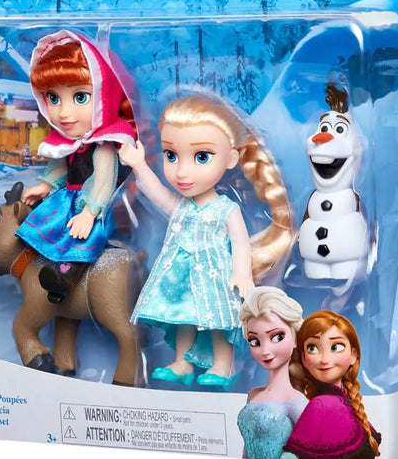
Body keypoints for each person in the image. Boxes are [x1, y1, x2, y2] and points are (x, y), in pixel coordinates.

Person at [118, 95, 294, 387]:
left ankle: (223, 366)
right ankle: (182, 363)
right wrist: (139, 165)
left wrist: (242, 273)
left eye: (202, 156)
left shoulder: (226, 208)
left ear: (231, 158)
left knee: (218, 323)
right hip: (180, 277)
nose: (182, 171)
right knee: (182, 318)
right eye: (171, 155)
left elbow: (240, 242)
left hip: (215, 277)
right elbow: (157, 194)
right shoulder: (181, 206)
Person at [15, 30, 137, 304]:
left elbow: (104, 181)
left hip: (91, 204)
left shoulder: (104, 146)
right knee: (44, 230)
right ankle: (36, 268)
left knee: (81, 239)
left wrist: (90, 212)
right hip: (66, 200)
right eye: (53, 98)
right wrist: (44, 185)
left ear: (105, 96)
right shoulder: (69, 143)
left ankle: (66, 276)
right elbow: (61, 167)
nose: (64, 113)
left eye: (80, 97)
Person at [282, 310, 381, 459]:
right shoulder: (321, 405)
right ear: (304, 358)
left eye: (336, 347)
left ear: (353, 354)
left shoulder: (346, 403)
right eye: (313, 348)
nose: (325, 360)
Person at [236, 287, 308, 459]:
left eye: (277, 337)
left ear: (296, 338)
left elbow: (311, 454)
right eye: (255, 341)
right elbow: (247, 448)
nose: (265, 351)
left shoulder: (297, 403)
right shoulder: (253, 395)